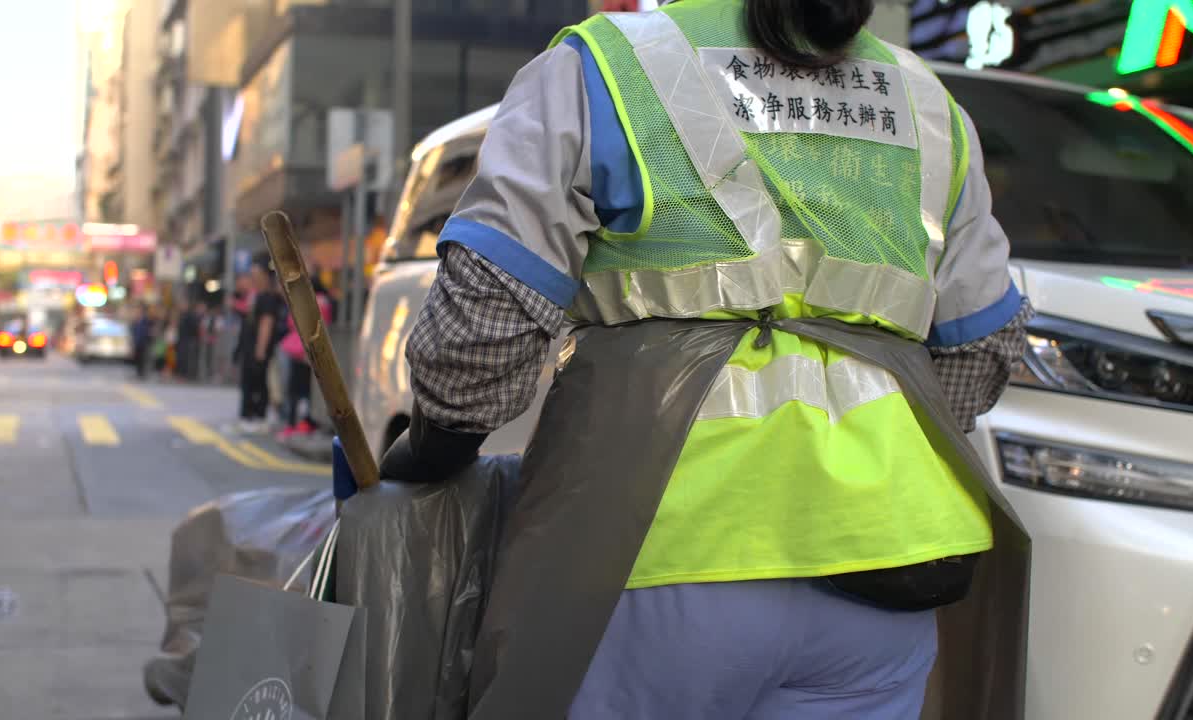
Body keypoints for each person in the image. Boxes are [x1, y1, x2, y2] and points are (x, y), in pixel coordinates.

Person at [381, 1, 1033, 717]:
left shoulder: (602, 65)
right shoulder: (927, 103)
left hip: (653, 550)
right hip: (889, 568)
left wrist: (438, 446)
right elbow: (982, 345)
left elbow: (487, 314)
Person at [276, 275, 333, 441]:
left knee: (295, 390)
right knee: (307, 391)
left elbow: (293, 323)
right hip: (311, 351)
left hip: (299, 350)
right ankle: (304, 424)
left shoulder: (308, 302)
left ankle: (294, 425)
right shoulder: (324, 302)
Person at [236, 253, 282, 434]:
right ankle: (249, 416)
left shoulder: (268, 298)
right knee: (249, 382)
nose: (252, 279)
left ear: (264, 276)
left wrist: (260, 350)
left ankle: (258, 417)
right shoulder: (256, 296)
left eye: (255, 275)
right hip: (250, 348)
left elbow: (266, 324)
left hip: (259, 350)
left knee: (259, 383)